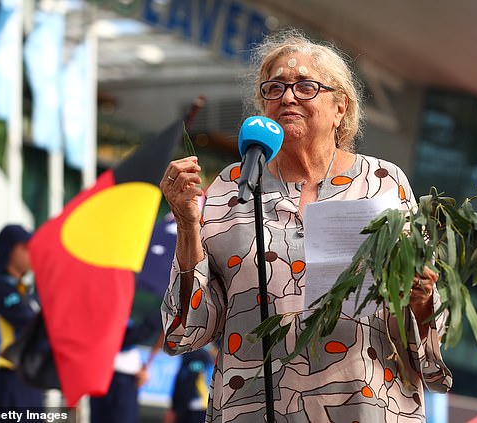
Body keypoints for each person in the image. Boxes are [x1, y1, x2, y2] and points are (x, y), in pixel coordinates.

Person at [160, 29, 452, 422]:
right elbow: (188, 329)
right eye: (275, 87)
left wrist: (420, 300)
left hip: (365, 404)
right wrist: (186, 224)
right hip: (252, 408)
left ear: (340, 108)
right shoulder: (230, 186)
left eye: (306, 86)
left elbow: (429, 307)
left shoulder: (383, 182)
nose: (288, 96)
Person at [0, 224, 44, 411]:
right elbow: (31, 323)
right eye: (25, 248)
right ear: (10, 250)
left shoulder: (25, 291)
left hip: (30, 384)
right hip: (10, 383)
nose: (31, 253)